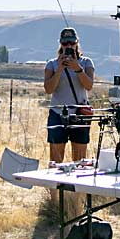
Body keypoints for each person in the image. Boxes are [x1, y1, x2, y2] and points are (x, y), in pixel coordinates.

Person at [44, 26, 94, 162]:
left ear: (77, 42)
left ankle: (76, 183)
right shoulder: (52, 64)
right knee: (56, 159)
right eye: (65, 43)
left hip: (79, 113)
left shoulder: (86, 62)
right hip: (57, 112)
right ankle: (58, 183)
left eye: (72, 43)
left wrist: (78, 69)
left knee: (80, 159)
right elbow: (49, 89)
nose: (69, 46)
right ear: (61, 44)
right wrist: (59, 69)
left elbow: (89, 85)